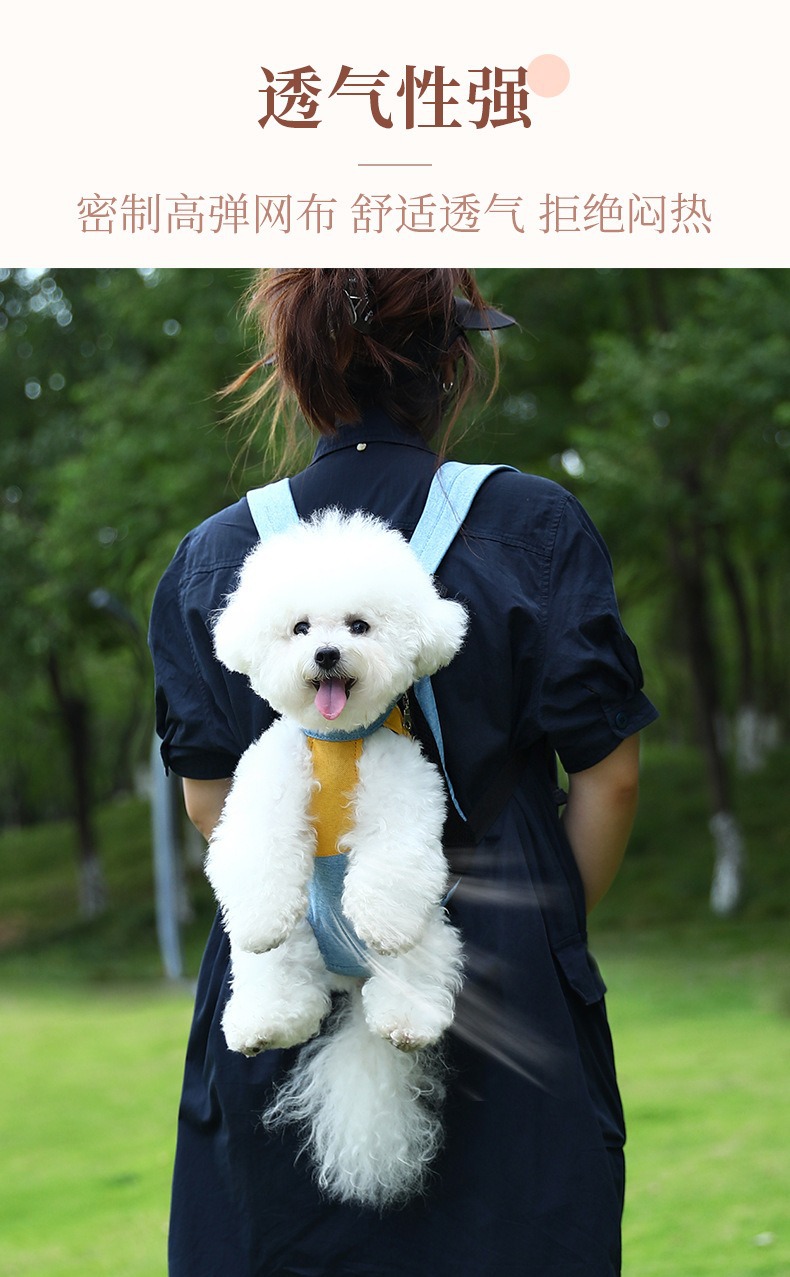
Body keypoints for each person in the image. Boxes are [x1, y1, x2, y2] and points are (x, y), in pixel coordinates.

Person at [149, 268, 658, 1277]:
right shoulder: (535, 525)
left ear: (294, 373)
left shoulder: (213, 558)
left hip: (284, 983)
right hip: (510, 984)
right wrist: (540, 926)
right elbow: (613, 779)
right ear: (454, 364)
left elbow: (213, 804)